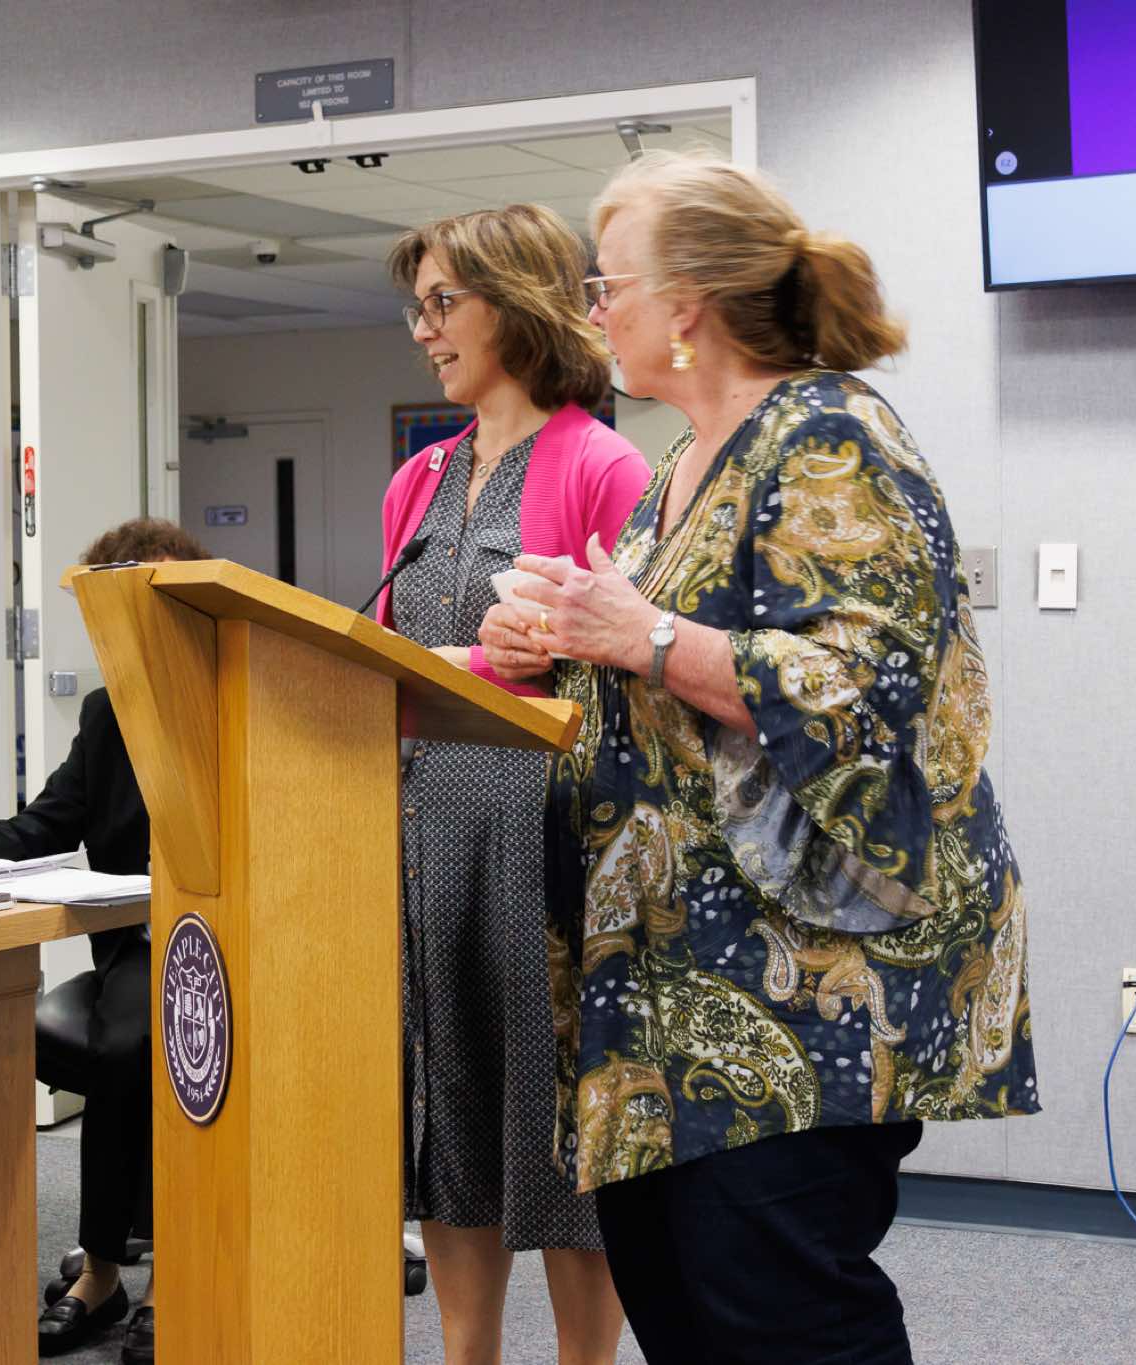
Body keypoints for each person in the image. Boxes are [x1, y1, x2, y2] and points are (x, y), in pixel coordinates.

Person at [480, 154, 1039, 1363]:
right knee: (684, 1314)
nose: (591, 311)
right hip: (660, 989)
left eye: (606, 284)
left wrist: (638, 633)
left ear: (685, 304)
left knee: (783, 1321)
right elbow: (667, 687)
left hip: (796, 977)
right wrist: (555, 644)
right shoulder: (678, 468)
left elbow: (862, 689)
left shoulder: (828, 434)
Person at [378, 204, 649, 1365]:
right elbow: (393, 656)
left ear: (517, 302)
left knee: (556, 1132)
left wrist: (502, 665)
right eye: (417, 308)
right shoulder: (419, 477)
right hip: (426, 834)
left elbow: (630, 673)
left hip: (546, 841)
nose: (423, 331)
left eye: (444, 303)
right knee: (450, 1123)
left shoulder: (602, 464)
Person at [0, 516, 207, 1361]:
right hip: (134, 943)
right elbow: (52, 820)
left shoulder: (234, 693)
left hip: (220, 942)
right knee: (128, 1037)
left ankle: (155, 1275)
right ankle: (107, 1273)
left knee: (135, 1041)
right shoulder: (106, 711)